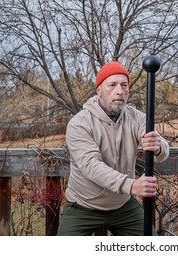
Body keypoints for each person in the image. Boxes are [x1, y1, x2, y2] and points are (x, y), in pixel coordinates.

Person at [57, 61, 169, 236]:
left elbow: (160, 149)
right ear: (99, 90)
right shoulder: (80, 123)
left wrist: (158, 147)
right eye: (112, 85)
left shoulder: (136, 117)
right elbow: (91, 166)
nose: (119, 91)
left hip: (122, 206)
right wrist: (131, 185)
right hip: (83, 206)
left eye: (124, 85)